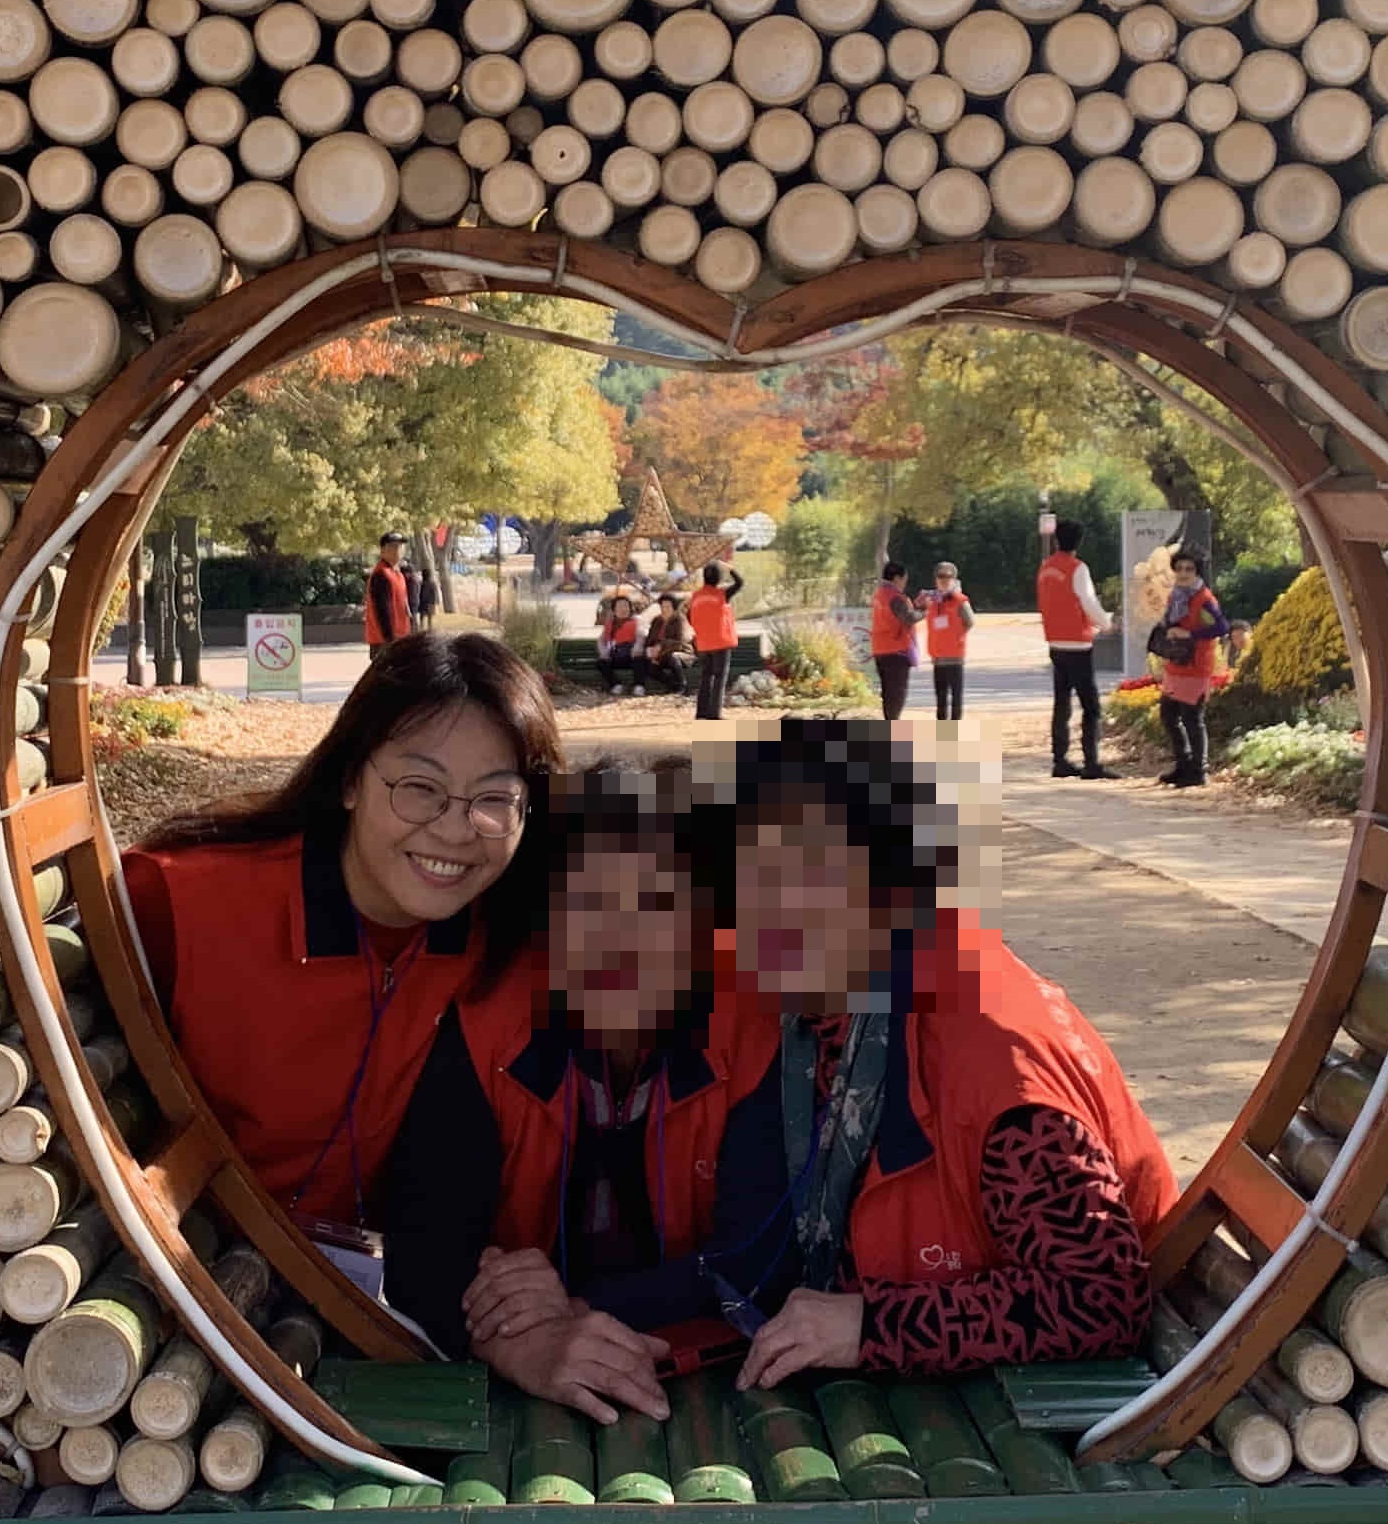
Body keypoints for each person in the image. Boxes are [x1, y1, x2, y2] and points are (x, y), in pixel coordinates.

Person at [694, 719, 1176, 1386]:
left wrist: (872, 1326)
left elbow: (1100, 1297)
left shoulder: (994, 1059)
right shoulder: (828, 1007)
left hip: (1063, 1405)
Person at [121, 631, 556, 1334]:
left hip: (363, 1309)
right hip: (160, 1288)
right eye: (420, 789)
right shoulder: (175, 903)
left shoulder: (505, 941)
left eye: (494, 799)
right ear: (352, 778)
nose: (455, 830)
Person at [459, 760, 749, 1421]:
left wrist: (570, 1310)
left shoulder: (751, 1029)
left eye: (658, 905)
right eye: (588, 904)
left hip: (704, 1371)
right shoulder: (485, 1025)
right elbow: (432, 1232)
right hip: (511, 1372)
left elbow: (758, 1250)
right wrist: (512, 1326)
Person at [1148, 548, 1231, 787]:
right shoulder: (1175, 596)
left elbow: (1222, 627)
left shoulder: (1204, 599)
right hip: (1176, 665)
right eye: (1179, 568)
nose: (1183, 573)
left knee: (1192, 719)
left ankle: (1198, 770)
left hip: (1195, 666)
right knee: (1168, 716)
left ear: (1197, 572)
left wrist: (1190, 634)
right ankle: (1183, 764)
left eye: (1189, 569)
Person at [1037, 516, 1109, 780]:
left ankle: (1060, 759)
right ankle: (1091, 762)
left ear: (1057, 539)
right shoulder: (1078, 568)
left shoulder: (1045, 568)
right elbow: (1088, 601)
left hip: (1055, 641)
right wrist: (1106, 623)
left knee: (1062, 702)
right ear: (1079, 542)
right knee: (1091, 706)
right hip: (1078, 642)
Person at [685, 556, 743, 722]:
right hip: (721, 641)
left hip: (703, 643)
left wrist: (701, 629)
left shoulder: (696, 596)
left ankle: (701, 712)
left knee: (706, 677)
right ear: (719, 578)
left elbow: (689, 616)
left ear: (704, 577)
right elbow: (740, 583)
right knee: (719, 677)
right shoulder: (722, 594)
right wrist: (730, 568)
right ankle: (714, 713)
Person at [866, 559, 923, 720]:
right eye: (904, 579)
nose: (905, 583)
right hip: (896, 651)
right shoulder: (894, 597)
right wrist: (926, 610)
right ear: (897, 578)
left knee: (888, 693)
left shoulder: (879, 595)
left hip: (880, 649)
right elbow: (908, 618)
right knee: (897, 694)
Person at [923, 560, 973, 726]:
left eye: (948, 576)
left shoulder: (960, 600)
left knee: (956, 696)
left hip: (954, 657)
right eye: (941, 576)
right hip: (938, 658)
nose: (944, 579)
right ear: (935, 579)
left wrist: (956, 636)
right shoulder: (932, 600)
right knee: (940, 697)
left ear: (954, 579)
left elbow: (970, 622)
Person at [362, 533, 413, 652]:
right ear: (383, 551)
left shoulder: (397, 573)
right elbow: (383, 610)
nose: (398, 550)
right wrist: (390, 640)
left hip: (400, 638)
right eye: (393, 546)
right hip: (385, 641)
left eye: (400, 546)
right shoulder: (381, 574)